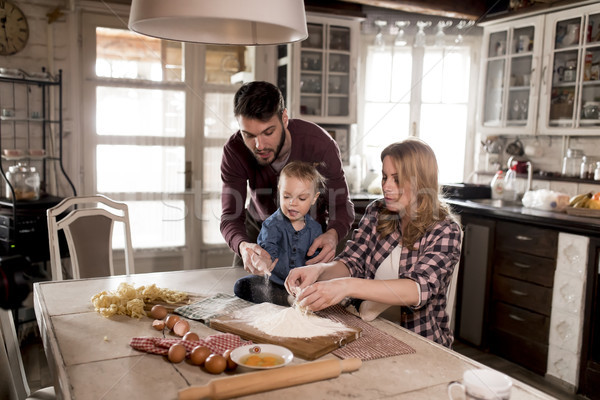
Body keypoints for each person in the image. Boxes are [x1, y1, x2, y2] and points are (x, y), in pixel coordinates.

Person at [284, 138, 462, 348]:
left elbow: (417, 289)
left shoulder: (446, 231)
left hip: (419, 342)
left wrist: (345, 287)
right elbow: (352, 262)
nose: (386, 186)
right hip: (368, 330)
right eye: (385, 176)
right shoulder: (377, 212)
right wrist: (319, 270)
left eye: (397, 179)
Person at [220, 81, 354, 275]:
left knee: (308, 302)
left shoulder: (320, 145)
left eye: (268, 132)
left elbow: (341, 204)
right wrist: (243, 246)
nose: (259, 145)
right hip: (258, 236)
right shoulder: (234, 150)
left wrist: (333, 235)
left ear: (284, 118)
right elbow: (230, 216)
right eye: (248, 135)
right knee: (244, 299)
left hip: (310, 240)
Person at [233, 161, 325, 305]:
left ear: (314, 198)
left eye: (301, 198)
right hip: (275, 283)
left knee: (327, 284)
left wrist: (310, 279)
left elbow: (316, 262)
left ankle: (302, 297)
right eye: (287, 196)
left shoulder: (316, 229)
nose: (292, 203)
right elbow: (269, 251)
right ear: (279, 192)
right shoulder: (272, 225)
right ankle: (287, 299)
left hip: (303, 284)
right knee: (242, 285)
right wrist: (265, 262)